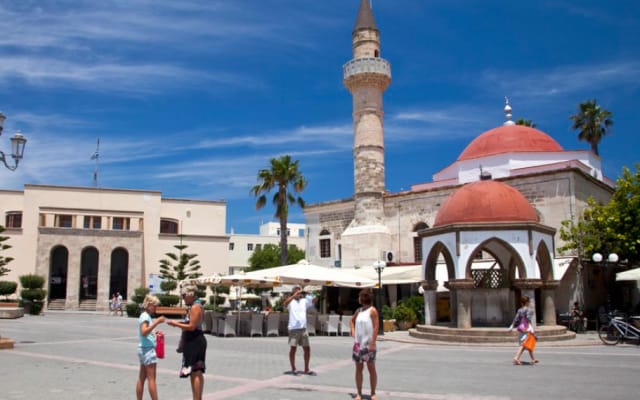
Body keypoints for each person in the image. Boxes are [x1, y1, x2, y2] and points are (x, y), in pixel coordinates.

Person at [167, 284, 207, 400]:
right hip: (196, 340)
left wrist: (175, 324)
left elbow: (191, 326)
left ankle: (196, 398)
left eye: (184, 296)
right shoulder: (198, 305)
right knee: (197, 371)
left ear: (190, 295)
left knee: (195, 371)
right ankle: (198, 397)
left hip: (194, 340)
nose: (183, 298)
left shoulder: (195, 307)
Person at [350, 289, 379, 400]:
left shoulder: (372, 311)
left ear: (363, 298)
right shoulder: (359, 310)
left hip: (368, 344)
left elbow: (376, 327)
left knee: (371, 368)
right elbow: (351, 320)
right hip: (358, 344)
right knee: (358, 369)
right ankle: (359, 393)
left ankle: (373, 393)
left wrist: (373, 343)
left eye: (359, 296)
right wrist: (353, 330)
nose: (358, 298)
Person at [136, 294, 166, 400]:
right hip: (148, 350)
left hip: (143, 348)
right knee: (151, 379)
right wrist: (157, 322)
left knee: (142, 378)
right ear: (148, 305)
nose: (155, 308)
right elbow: (144, 331)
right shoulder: (145, 316)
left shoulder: (144, 316)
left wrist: (154, 333)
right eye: (154, 305)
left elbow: (146, 331)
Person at [283, 285, 317, 375]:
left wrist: (310, 293)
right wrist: (294, 296)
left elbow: (315, 300)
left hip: (303, 329)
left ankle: (306, 368)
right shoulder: (291, 302)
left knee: (307, 349)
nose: (299, 293)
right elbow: (285, 304)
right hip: (294, 329)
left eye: (299, 292)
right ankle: (293, 368)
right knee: (293, 349)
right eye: (297, 291)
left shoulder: (304, 301)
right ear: (293, 292)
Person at [509, 295, 539, 365]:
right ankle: (516, 358)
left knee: (527, 343)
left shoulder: (519, 310)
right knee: (524, 344)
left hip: (521, 328)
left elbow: (516, 319)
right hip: (526, 328)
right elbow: (528, 319)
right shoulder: (529, 310)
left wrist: (512, 325)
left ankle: (533, 359)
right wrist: (531, 328)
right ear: (527, 302)